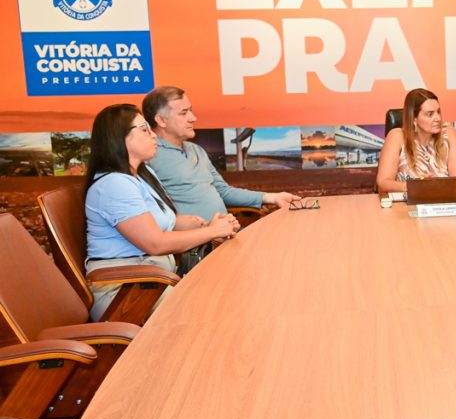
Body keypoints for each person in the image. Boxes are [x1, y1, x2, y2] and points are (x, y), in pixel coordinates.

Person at [84, 104, 239, 320]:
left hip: (154, 282)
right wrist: (211, 232)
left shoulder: (143, 174)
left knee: (229, 290)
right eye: (144, 130)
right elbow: (155, 243)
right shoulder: (114, 184)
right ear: (119, 137)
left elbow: (169, 222)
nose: (153, 135)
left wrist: (208, 225)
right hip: (127, 292)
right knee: (218, 307)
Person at [143, 86, 299, 220]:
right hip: (197, 242)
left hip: (227, 233)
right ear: (161, 120)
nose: (193, 118)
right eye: (183, 113)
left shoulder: (196, 150)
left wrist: (272, 197)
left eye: (191, 110)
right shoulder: (148, 156)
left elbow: (223, 191)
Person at [376, 88, 456, 194]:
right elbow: (383, 183)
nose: (438, 118)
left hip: (443, 200)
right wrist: (415, 186)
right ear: (414, 119)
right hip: (406, 202)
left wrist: (435, 186)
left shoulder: (449, 133)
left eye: (438, 112)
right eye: (430, 114)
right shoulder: (397, 136)